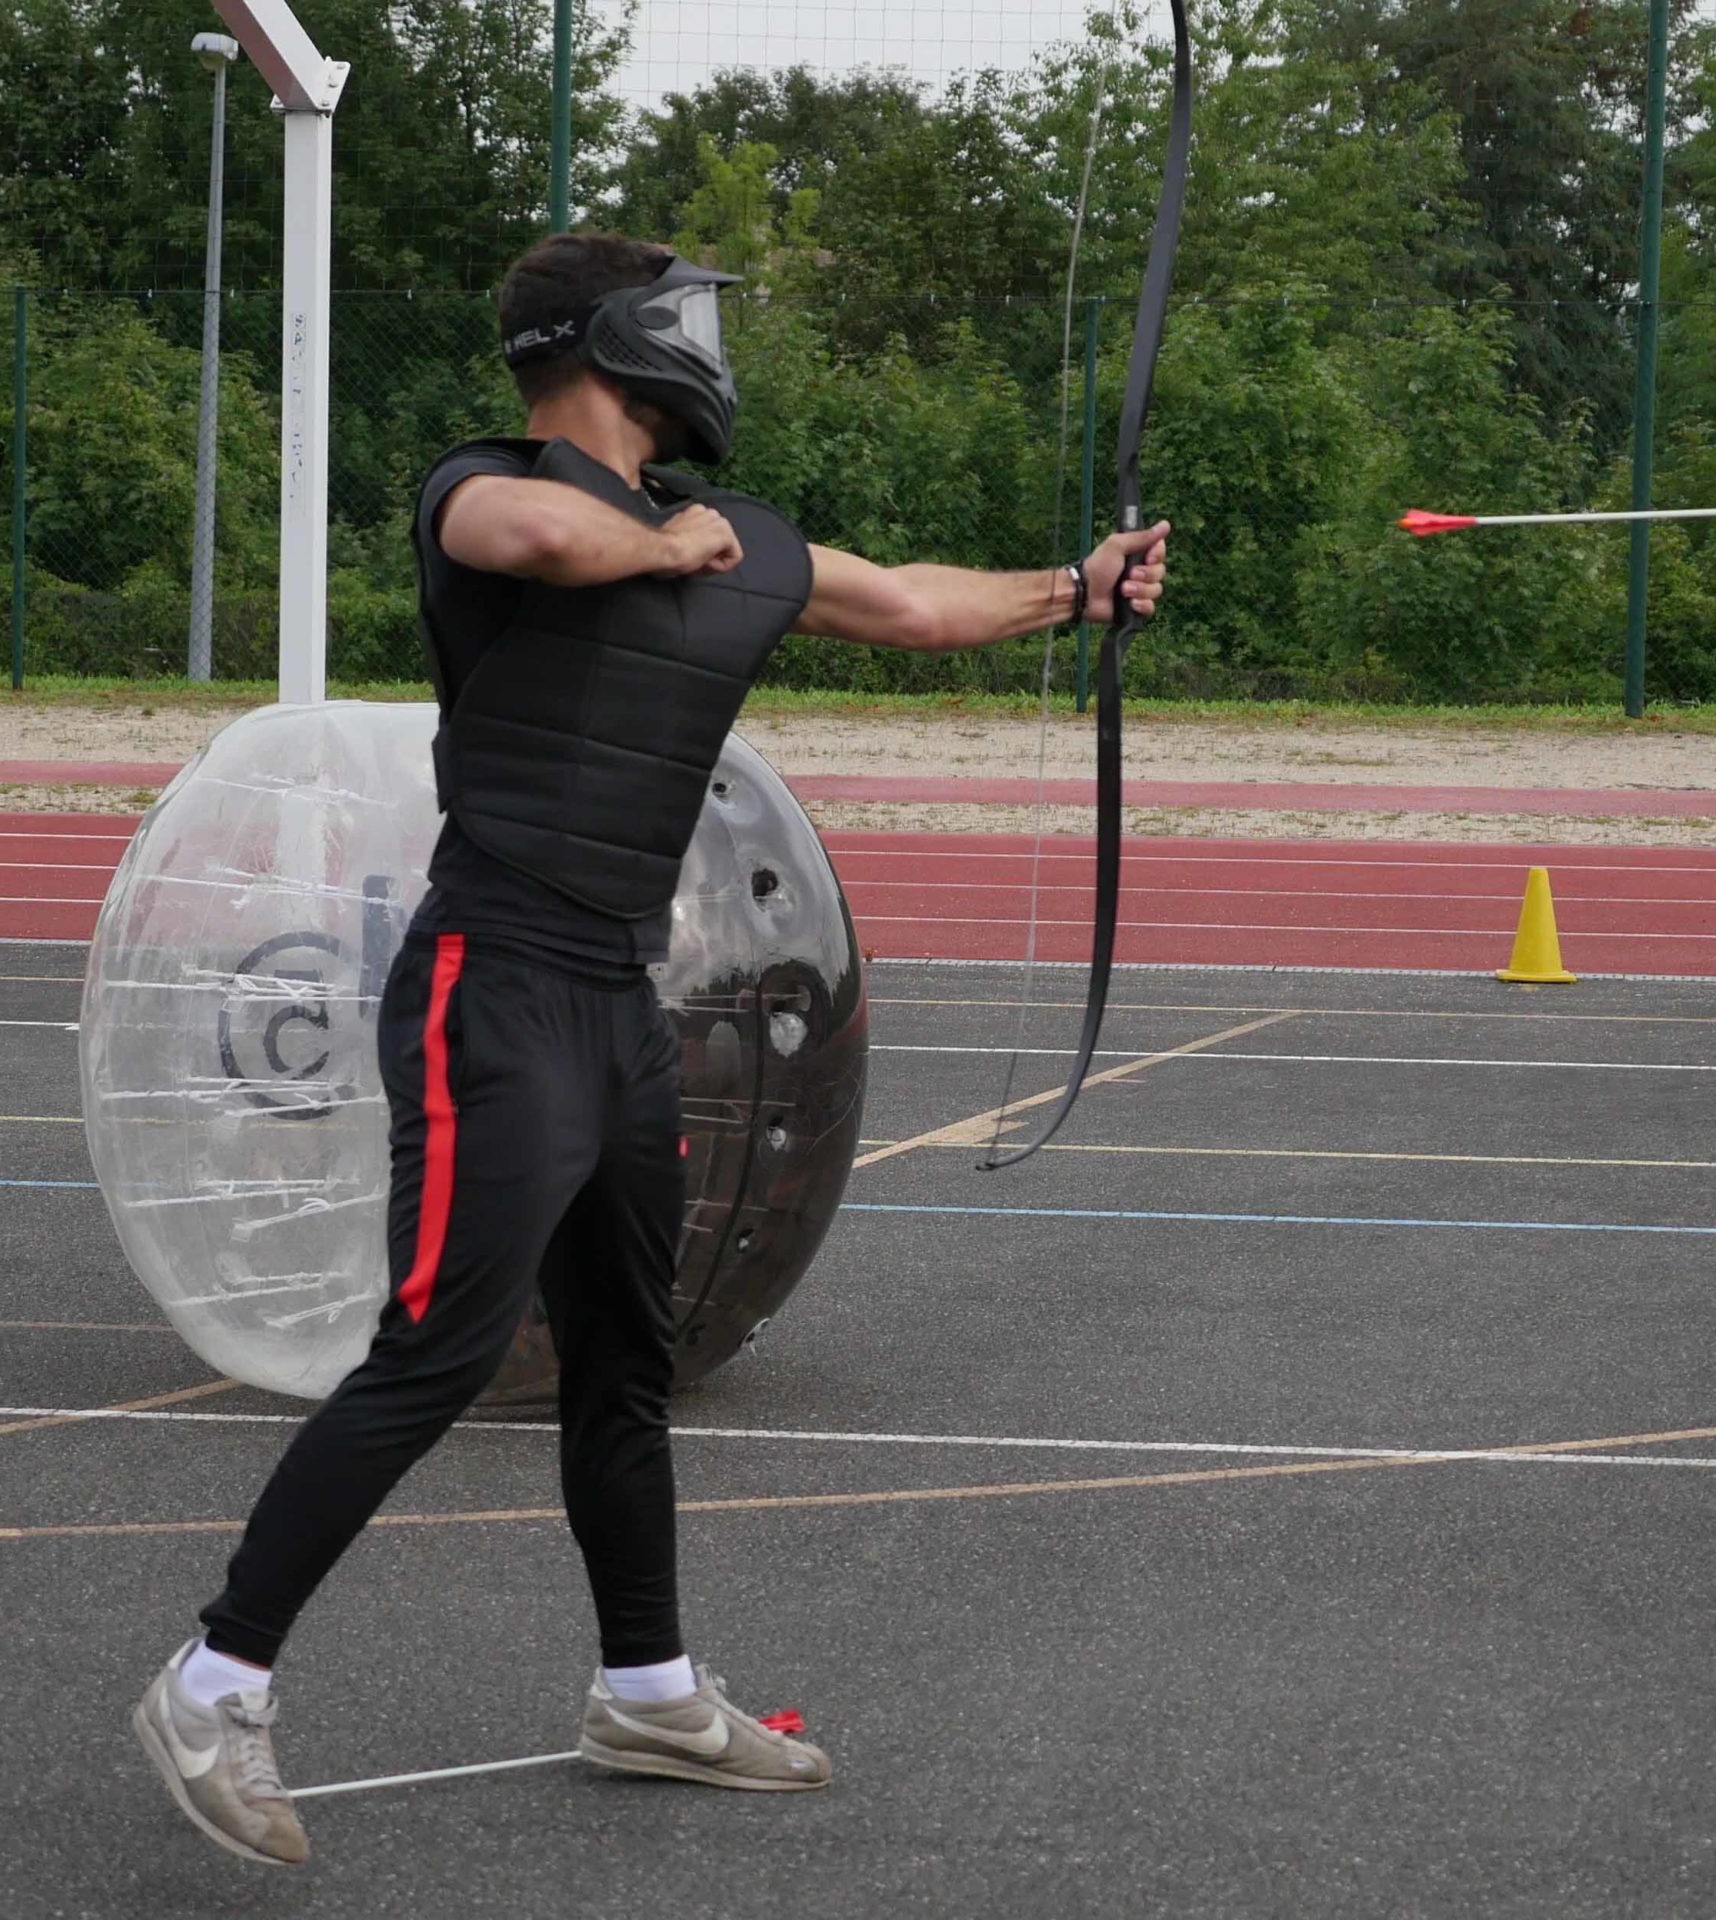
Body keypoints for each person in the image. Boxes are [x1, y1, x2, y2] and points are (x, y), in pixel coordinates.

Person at [132, 231, 1171, 1867]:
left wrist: (1074, 588)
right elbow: (540, 534)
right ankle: (213, 1683)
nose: (710, 351)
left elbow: (910, 601)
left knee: (631, 1358)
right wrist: (658, 542)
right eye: (683, 319)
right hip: (491, 987)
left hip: (618, 1003)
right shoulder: (483, 490)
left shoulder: (740, 541)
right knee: (436, 1350)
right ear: (613, 340)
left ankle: (650, 1692)